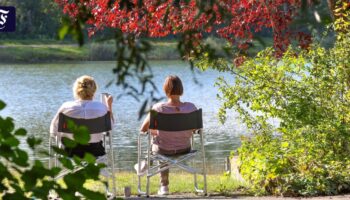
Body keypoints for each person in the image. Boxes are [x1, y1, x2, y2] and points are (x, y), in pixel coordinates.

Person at [140, 75, 197, 195]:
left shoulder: (158, 108)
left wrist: (156, 131)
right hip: (185, 148)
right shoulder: (191, 108)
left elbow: (143, 129)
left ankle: (163, 185)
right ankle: (147, 163)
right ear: (181, 89)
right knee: (161, 140)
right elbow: (196, 129)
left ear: (165, 90)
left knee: (158, 142)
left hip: (163, 149)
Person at [50, 75, 114, 159]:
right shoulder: (101, 108)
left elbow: (53, 131)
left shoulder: (66, 107)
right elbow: (110, 128)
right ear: (94, 90)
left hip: (70, 153)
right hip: (95, 153)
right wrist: (109, 106)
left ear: (76, 90)